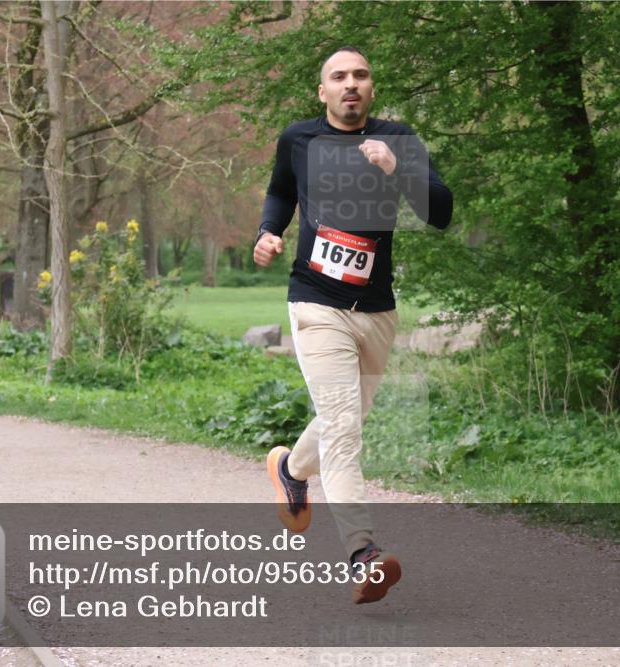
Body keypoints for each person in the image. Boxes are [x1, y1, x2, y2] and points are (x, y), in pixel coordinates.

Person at [257, 46, 453, 604]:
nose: (350, 84)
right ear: (322, 92)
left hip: (378, 309)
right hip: (315, 301)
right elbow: (280, 193)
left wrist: (399, 171)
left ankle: (292, 470)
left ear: (372, 89)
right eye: (338, 77)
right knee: (345, 426)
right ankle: (362, 552)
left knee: (344, 418)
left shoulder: (399, 139)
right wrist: (268, 231)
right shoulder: (299, 139)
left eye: (360, 76)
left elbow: (441, 211)